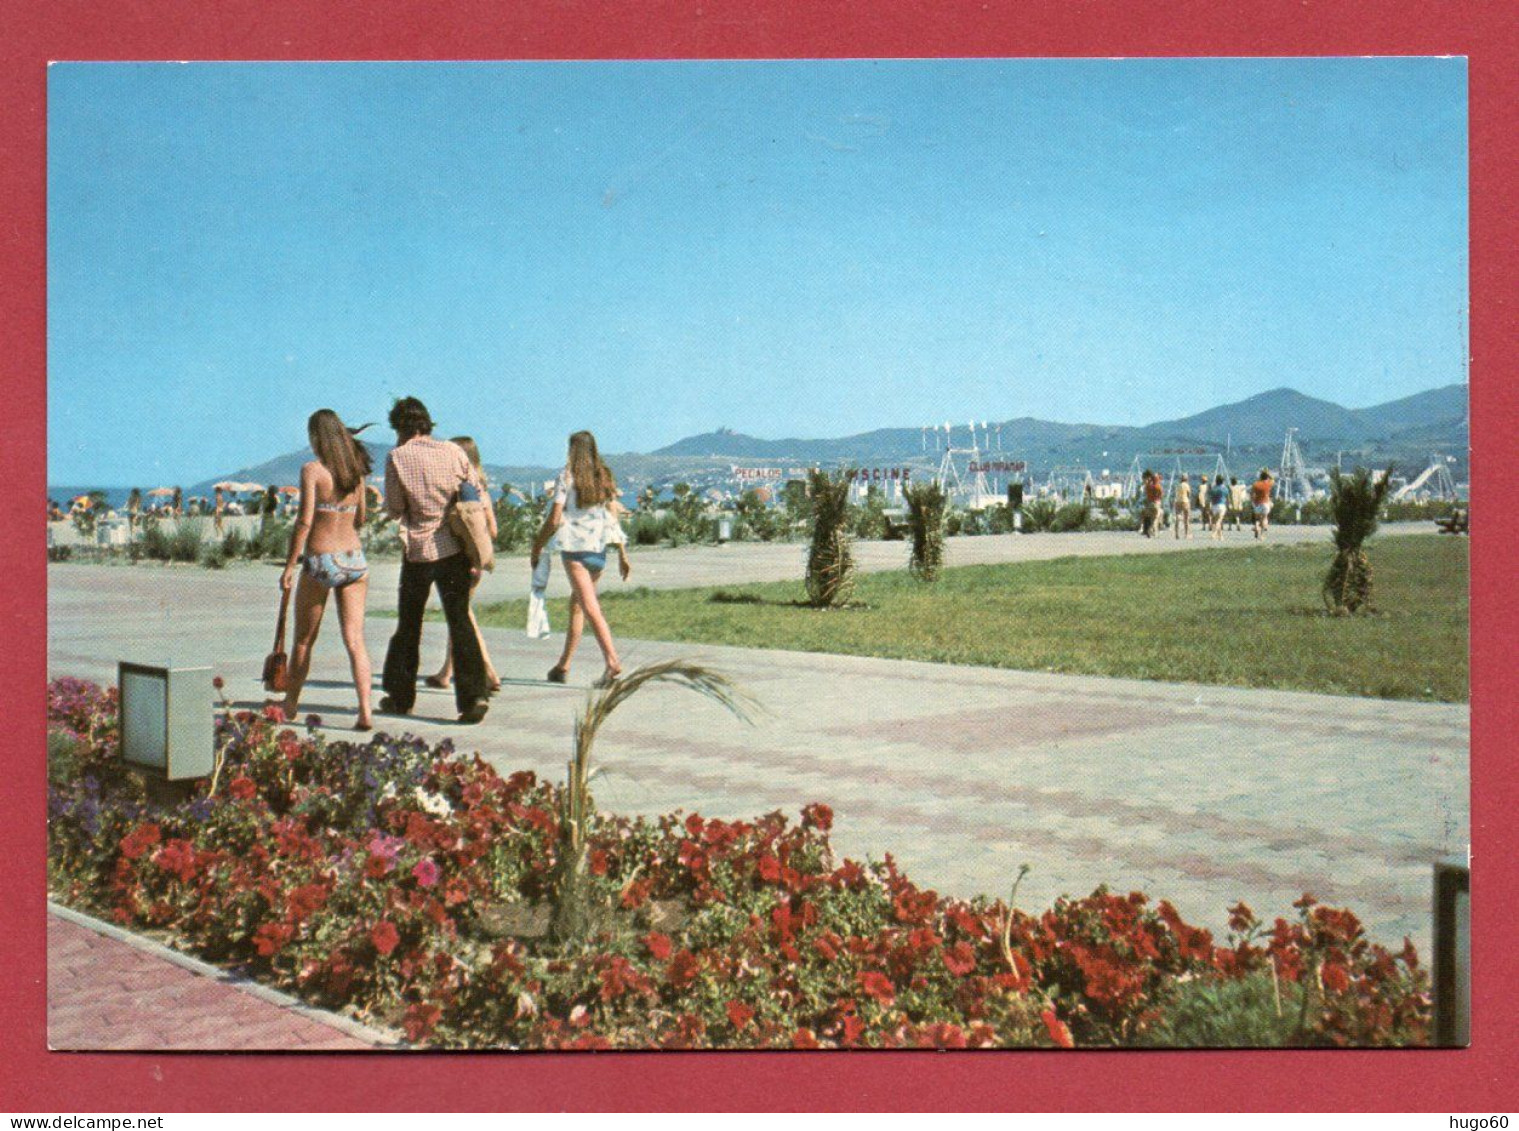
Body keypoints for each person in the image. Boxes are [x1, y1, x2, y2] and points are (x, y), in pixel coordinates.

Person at [379, 397, 490, 724]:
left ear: (399, 426)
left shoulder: (397, 457)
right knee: (460, 620)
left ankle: (400, 696)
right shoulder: (454, 451)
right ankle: (473, 697)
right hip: (454, 548)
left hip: (418, 551)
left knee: (409, 624)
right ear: (427, 422)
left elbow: (396, 507)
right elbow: (474, 492)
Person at [277, 410, 376, 730]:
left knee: (304, 641)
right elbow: (361, 518)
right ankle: (365, 711)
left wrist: (290, 565)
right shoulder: (357, 473)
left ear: (317, 437)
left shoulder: (312, 471)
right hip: (354, 560)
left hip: (320, 560)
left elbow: (304, 522)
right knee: (355, 640)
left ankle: (290, 705)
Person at [531, 430, 632, 687]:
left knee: (589, 606)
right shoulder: (603, 476)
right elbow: (612, 515)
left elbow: (554, 519)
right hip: (599, 550)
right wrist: (622, 552)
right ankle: (562, 666)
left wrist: (537, 546)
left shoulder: (566, 477)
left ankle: (612, 662)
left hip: (574, 550)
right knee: (578, 605)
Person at [427, 436, 501, 693]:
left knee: (463, 617)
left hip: (458, 562)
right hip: (477, 562)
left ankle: (489, 671)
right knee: (458, 615)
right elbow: (493, 531)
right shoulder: (481, 491)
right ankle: (446, 672)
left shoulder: (456, 492)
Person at [1251, 469, 1275, 539]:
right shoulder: (1269, 483)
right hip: (1266, 503)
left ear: (1260, 477)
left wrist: (1253, 502)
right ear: (1267, 477)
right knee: (1264, 518)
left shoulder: (1255, 484)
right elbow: (1273, 479)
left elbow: (1252, 494)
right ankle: (1262, 535)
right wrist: (1267, 473)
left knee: (1257, 518)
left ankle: (1256, 527)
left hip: (1257, 503)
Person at [1141, 470, 1162, 538]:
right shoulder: (1158, 486)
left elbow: (1146, 494)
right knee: (1155, 518)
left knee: (1151, 518)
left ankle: (1154, 532)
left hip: (1149, 503)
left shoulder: (1148, 486)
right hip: (1156, 503)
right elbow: (1161, 495)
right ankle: (1151, 531)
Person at [1172, 473, 1193, 539]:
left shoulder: (1177, 485)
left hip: (1178, 501)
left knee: (1177, 517)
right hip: (1185, 501)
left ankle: (1176, 534)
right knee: (1186, 519)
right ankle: (1186, 534)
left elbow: (1176, 493)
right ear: (1186, 479)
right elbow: (1189, 494)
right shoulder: (1186, 485)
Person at [1208, 474, 1229, 540]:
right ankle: (1214, 534)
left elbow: (1210, 498)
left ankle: (1220, 536)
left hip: (1214, 506)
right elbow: (1227, 498)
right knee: (1219, 521)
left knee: (1216, 521)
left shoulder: (1213, 488)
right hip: (1221, 505)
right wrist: (1228, 505)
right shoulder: (1224, 488)